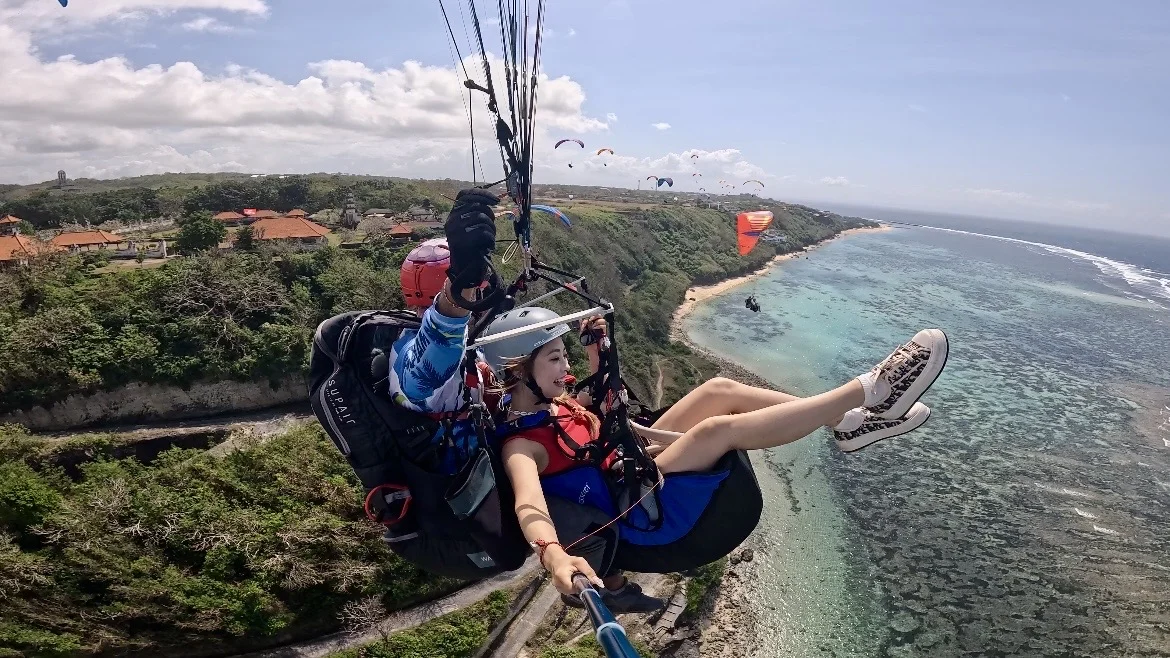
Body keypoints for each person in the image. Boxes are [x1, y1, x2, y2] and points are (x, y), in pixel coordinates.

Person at [388, 189, 947, 606]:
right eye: (553, 360)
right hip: (628, 504)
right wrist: (555, 557)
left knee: (716, 391)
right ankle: (867, 389)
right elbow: (529, 505)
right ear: (521, 372)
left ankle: (846, 422)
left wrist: (664, 438)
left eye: (563, 358)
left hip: (626, 465)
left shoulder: (555, 405)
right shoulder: (519, 442)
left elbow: (619, 432)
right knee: (717, 432)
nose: (565, 370)